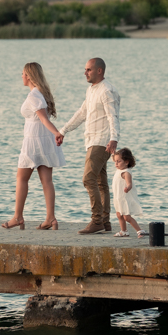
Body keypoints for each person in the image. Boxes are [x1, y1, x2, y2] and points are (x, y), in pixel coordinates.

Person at [59, 57, 121, 234]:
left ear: (99, 71)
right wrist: (63, 130)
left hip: (102, 141)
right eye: (85, 69)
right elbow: (82, 113)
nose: (85, 72)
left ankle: (97, 220)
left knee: (88, 179)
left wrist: (114, 139)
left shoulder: (107, 91)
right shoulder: (91, 89)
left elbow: (112, 116)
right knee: (100, 183)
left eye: (88, 70)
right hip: (92, 141)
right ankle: (105, 222)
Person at [2, 62, 66, 230]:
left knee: (21, 178)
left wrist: (57, 133)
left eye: (23, 73)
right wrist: (55, 134)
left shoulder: (34, 95)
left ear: (29, 76)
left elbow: (44, 119)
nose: (21, 76)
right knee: (47, 181)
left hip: (34, 141)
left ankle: (17, 217)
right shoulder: (41, 93)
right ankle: (51, 218)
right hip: (44, 141)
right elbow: (44, 119)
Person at [111, 148, 147, 238]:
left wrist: (128, 188)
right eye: (115, 161)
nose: (116, 164)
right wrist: (113, 153)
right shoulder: (119, 170)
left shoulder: (126, 173)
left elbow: (129, 184)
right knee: (119, 215)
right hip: (118, 197)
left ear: (126, 162)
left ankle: (140, 231)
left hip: (124, 198)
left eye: (118, 161)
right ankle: (124, 231)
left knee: (127, 217)